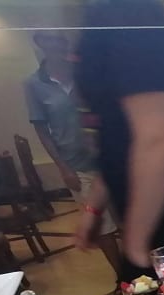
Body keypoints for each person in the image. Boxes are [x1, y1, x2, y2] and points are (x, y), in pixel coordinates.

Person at [75, 0, 164, 280]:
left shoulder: (131, 13)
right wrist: (94, 208)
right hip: (150, 214)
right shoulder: (102, 14)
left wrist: (136, 245)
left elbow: (157, 140)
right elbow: (116, 135)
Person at [24, 31, 124, 281]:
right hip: (76, 163)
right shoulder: (34, 84)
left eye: (60, 39)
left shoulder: (84, 73)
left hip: (112, 159)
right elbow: (41, 129)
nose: (57, 43)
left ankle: (142, 271)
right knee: (102, 225)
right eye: (50, 38)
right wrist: (63, 167)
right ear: (39, 43)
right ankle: (122, 278)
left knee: (126, 217)